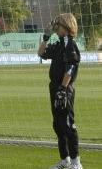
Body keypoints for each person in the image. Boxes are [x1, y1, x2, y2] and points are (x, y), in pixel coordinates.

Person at [38, 13, 83, 169]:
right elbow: (41, 54)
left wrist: (63, 89)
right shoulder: (58, 44)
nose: (56, 28)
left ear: (67, 27)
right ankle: (65, 160)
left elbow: (70, 69)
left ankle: (76, 162)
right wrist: (46, 37)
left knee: (68, 124)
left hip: (64, 89)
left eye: (58, 25)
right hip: (54, 87)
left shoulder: (70, 45)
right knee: (58, 125)